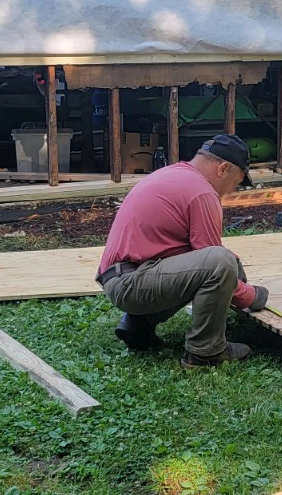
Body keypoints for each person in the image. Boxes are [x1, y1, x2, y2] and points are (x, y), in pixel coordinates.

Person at [96, 133, 268, 368]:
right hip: (131, 283)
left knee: (223, 263)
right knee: (221, 262)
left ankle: (138, 325)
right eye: (235, 183)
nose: (230, 192)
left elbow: (191, 257)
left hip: (121, 277)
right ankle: (205, 352)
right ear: (223, 169)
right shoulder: (202, 192)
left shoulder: (174, 175)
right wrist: (251, 296)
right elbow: (215, 261)